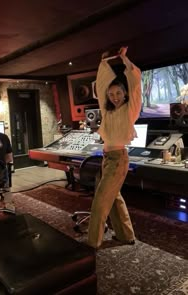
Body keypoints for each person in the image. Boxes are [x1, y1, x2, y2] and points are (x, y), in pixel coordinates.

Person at [87, 46, 142, 249]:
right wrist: (104, 64)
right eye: (112, 94)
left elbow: (136, 84)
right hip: (107, 158)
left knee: (100, 202)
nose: (114, 96)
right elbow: (101, 89)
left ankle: (92, 243)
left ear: (125, 94)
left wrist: (124, 59)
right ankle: (125, 235)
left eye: (118, 93)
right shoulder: (107, 111)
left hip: (118, 159)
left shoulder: (130, 110)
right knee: (114, 199)